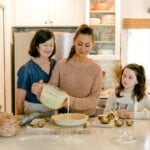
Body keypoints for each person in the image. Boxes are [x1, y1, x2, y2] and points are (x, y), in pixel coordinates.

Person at [32, 24, 103, 117]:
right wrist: (40, 91)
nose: (83, 49)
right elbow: (51, 91)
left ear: (92, 45)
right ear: (74, 41)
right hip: (63, 117)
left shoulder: (96, 69)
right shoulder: (61, 65)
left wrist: (70, 101)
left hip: (87, 119)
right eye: (79, 44)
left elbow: (94, 100)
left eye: (87, 45)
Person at [16, 29, 56, 115]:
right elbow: (19, 100)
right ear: (37, 46)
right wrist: (21, 120)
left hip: (53, 110)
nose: (48, 48)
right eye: (45, 45)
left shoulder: (55, 64)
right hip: (33, 110)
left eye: (51, 45)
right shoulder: (26, 69)